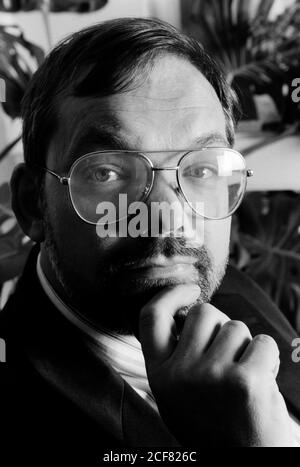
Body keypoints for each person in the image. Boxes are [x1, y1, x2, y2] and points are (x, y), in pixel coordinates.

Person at [1, 18, 300, 460]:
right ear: (32, 205)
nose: (167, 220)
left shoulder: (229, 287)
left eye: (200, 170)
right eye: (107, 171)